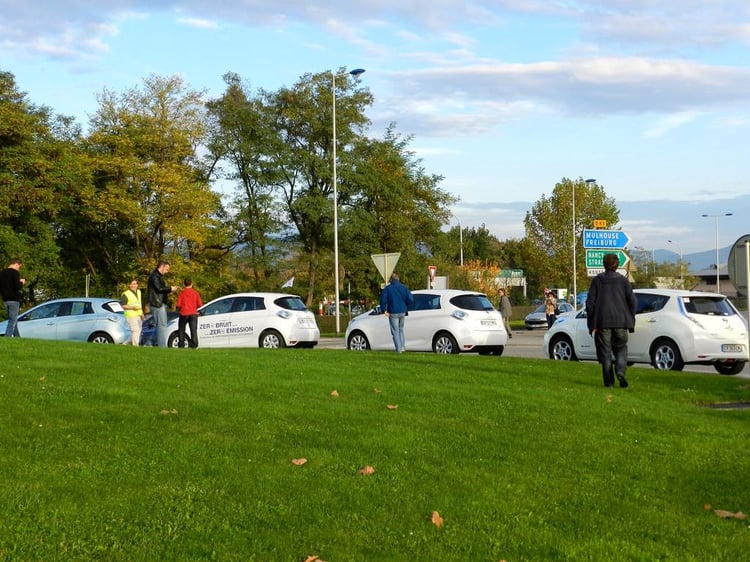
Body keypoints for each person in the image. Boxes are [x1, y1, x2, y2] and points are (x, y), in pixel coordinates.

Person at [586, 253, 637, 388]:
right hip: (621, 322)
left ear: (604, 264)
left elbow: (590, 303)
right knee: (621, 349)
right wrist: (630, 318)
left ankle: (609, 383)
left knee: (606, 353)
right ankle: (620, 371)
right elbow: (633, 301)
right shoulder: (623, 281)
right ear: (617, 264)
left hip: (603, 323)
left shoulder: (597, 281)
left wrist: (591, 323)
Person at [379, 272, 414, 353]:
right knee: (401, 329)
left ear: (391, 280)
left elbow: (383, 300)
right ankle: (402, 347)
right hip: (403, 311)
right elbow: (411, 299)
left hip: (393, 312)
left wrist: (384, 310)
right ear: (398, 279)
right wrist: (405, 305)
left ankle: (398, 350)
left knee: (395, 331)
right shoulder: (404, 287)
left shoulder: (388, 288)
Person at [147, 260, 177, 348]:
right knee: (162, 326)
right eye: (167, 269)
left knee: (160, 325)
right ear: (162, 266)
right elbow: (159, 289)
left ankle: (150, 343)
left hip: (159, 303)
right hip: (157, 304)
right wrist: (170, 289)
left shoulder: (157, 276)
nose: (167, 271)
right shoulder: (155, 276)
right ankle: (162, 346)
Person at [0, 258, 26, 337]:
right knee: (12, 320)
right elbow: (17, 287)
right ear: (16, 264)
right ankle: (7, 337)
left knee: (13, 319)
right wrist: (22, 282)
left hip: (5, 299)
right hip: (14, 299)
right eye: (19, 266)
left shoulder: (1, 273)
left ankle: (17, 337)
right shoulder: (15, 273)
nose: (19, 268)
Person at [175, 277, 203, 349]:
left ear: (184, 284)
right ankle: (194, 344)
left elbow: (178, 305)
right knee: (193, 330)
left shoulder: (182, 293)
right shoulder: (195, 293)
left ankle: (181, 344)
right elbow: (200, 304)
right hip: (193, 313)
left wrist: (178, 309)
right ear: (192, 284)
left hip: (184, 313)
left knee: (181, 329)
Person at [120, 278, 144, 346]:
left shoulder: (139, 292)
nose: (133, 285)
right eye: (132, 284)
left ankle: (125, 344)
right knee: (135, 330)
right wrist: (133, 308)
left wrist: (142, 313)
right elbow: (123, 305)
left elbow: (139, 304)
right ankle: (135, 346)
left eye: (135, 284)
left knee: (138, 331)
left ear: (137, 285)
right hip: (130, 315)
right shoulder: (126, 294)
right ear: (129, 285)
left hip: (138, 315)